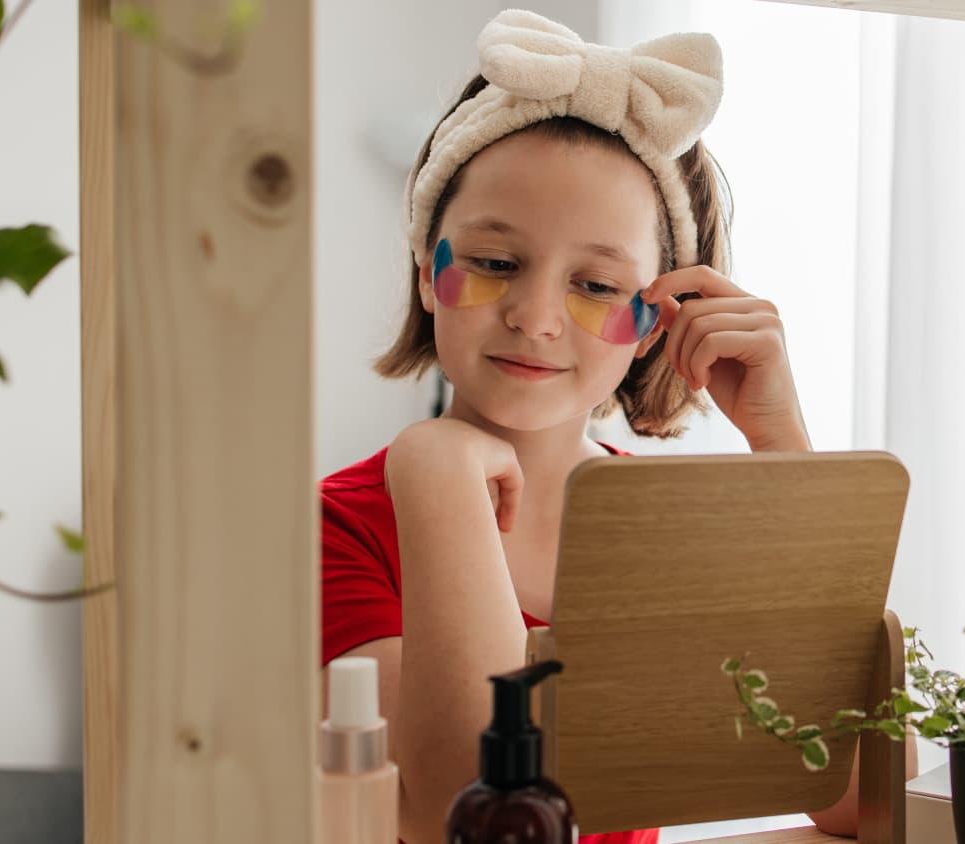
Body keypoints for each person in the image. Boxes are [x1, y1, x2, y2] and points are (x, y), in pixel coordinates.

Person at [319, 9, 908, 842]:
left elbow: (860, 800)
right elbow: (462, 804)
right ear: (428, 269)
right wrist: (439, 476)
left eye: (594, 284)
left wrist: (785, 455)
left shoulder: (667, 533)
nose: (534, 316)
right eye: (494, 264)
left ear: (654, 317)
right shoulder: (332, 530)